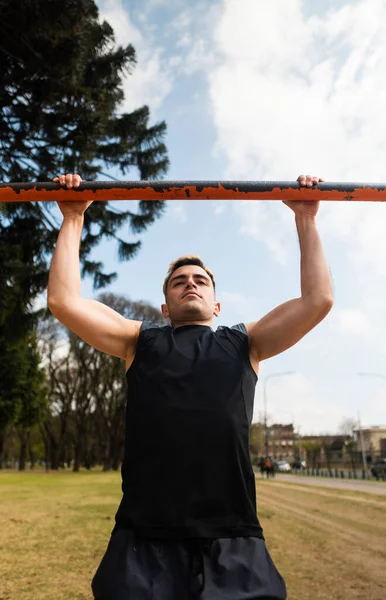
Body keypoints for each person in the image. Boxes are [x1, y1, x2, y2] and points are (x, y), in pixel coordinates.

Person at [47, 172, 333, 600]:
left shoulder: (245, 343)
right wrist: (72, 218)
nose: (191, 283)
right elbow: (64, 302)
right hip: (145, 538)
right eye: (180, 281)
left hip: (232, 535)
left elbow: (317, 301)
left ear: (216, 304)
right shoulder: (138, 341)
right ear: (166, 306)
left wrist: (306, 219)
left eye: (200, 280)